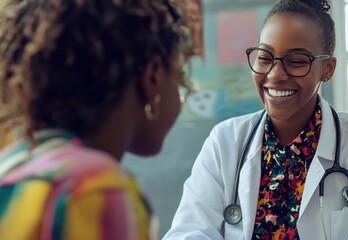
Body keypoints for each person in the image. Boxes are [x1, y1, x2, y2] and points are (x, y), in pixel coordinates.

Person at [163, 0, 348, 239]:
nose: (275, 75)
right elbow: (189, 232)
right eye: (264, 57)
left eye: (296, 61)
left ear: (327, 69)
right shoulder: (225, 141)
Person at [0, 0, 201, 239]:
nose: (181, 91)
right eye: (179, 78)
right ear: (152, 77)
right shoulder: (98, 188)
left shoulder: (12, 164)